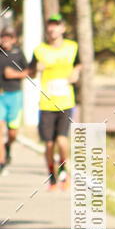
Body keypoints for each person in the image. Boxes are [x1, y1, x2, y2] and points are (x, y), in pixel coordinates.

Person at [30, 13, 81, 189]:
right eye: (50, 25)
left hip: (66, 101)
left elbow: (79, 64)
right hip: (46, 103)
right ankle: (52, 174)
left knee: (62, 140)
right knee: (49, 144)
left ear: (62, 28)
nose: (53, 28)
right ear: (47, 29)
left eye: (56, 25)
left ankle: (64, 171)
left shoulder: (72, 47)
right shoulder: (39, 50)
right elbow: (30, 71)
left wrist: (76, 72)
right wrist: (36, 68)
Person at [0, 25, 29, 175]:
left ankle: (8, 146)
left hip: (15, 95)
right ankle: (1, 162)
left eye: (8, 37)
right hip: (0, 96)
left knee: (13, 133)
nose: (5, 40)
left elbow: (29, 71)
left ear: (14, 39)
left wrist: (15, 74)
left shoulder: (18, 53)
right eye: (3, 36)